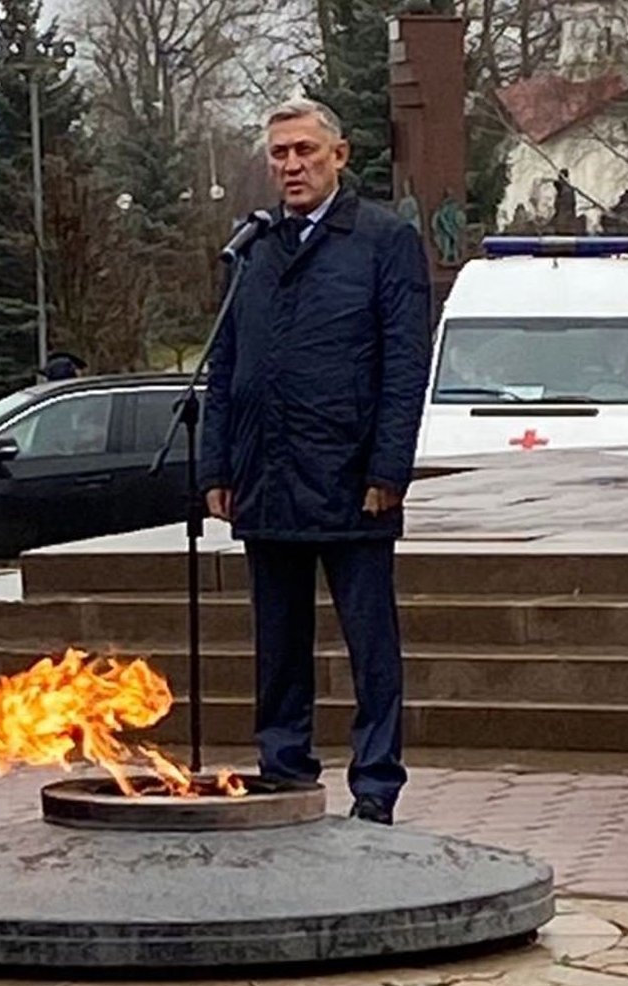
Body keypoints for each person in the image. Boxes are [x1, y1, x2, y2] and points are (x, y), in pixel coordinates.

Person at [197, 98, 432, 826]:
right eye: (280, 154)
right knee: (278, 642)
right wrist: (215, 466)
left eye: (305, 150)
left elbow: (404, 364)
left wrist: (388, 469)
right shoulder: (254, 246)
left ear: (339, 155)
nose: (292, 166)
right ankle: (284, 769)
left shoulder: (384, 241)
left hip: (350, 475)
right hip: (266, 474)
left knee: (370, 642)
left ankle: (376, 785)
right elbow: (225, 361)